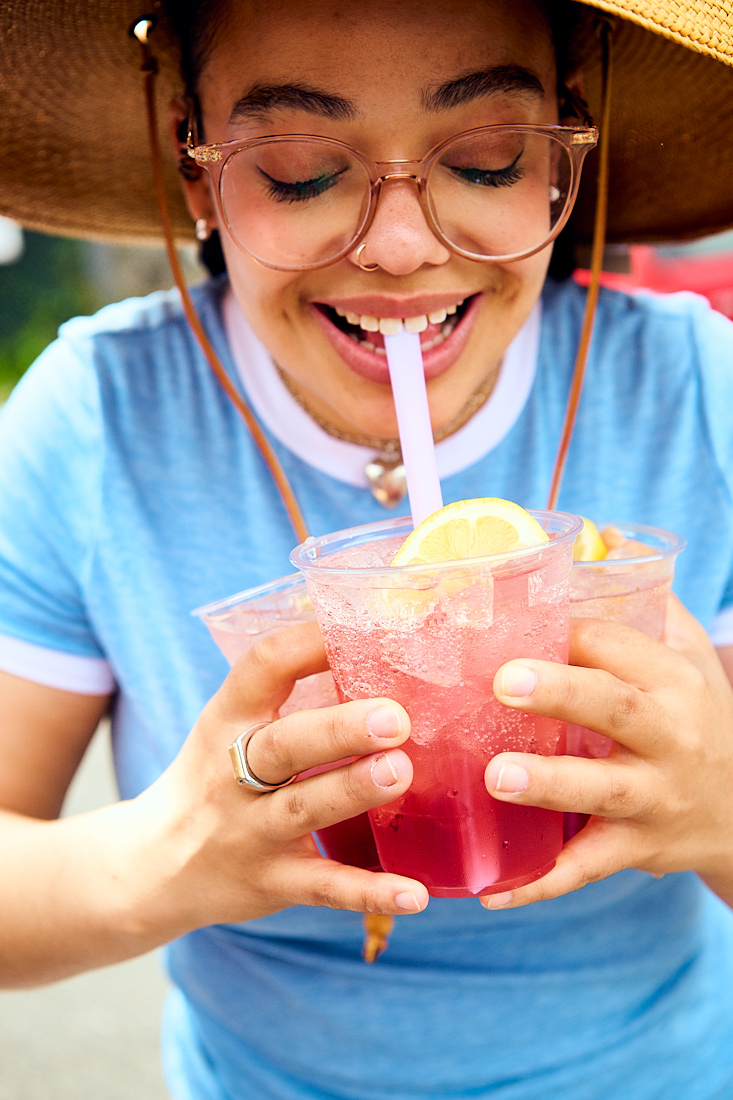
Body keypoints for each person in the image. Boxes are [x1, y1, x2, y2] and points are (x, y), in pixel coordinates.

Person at [1, 0, 733, 1096]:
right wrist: (168, 853)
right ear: (195, 170)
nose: (401, 247)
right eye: (299, 169)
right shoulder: (98, 420)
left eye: (487, 158)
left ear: (557, 152)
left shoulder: (693, 392)